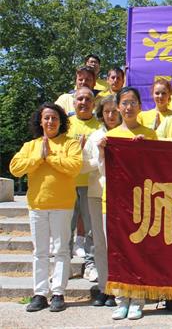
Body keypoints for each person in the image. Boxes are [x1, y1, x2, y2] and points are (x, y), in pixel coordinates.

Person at [10, 103, 82, 312]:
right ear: (40, 121)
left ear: (61, 121)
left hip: (62, 205)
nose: (51, 122)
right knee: (40, 252)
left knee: (60, 250)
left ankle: (58, 292)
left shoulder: (70, 144)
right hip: (37, 205)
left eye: (55, 118)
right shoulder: (30, 146)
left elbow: (74, 167)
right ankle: (40, 293)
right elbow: (15, 168)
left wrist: (49, 156)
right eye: (47, 118)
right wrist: (38, 157)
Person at [98, 87, 158, 320]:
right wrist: (102, 150)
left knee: (139, 251)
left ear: (140, 107)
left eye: (133, 102)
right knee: (118, 252)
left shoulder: (150, 134)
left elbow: (158, 169)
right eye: (124, 103)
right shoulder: (110, 137)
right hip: (113, 203)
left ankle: (139, 299)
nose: (129, 107)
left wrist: (145, 150)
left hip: (142, 202)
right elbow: (101, 170)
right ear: (118, 107)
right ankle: (121, 299)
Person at [80, 95, 121, 308]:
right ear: (101, 114)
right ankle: (106, 288)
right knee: (100, 243)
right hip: (97, 195)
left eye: (115, 111)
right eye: (107, 112)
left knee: (119, 244)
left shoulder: (127, 134)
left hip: (122, 196)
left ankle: (121, 288)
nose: (111, 115)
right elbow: (82, 166)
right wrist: (101, 157)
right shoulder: (95, 135)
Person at [65, 87, 101, 282]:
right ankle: (64, 265)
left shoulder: (99, 126)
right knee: (66, 227)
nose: (84, 102)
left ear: (93, 104)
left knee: (91, 228)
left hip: (91, 184)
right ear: (74, 102)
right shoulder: (65, 125)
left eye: (88, 99)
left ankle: (90, 265)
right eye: (80, 99)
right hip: (67, 184)